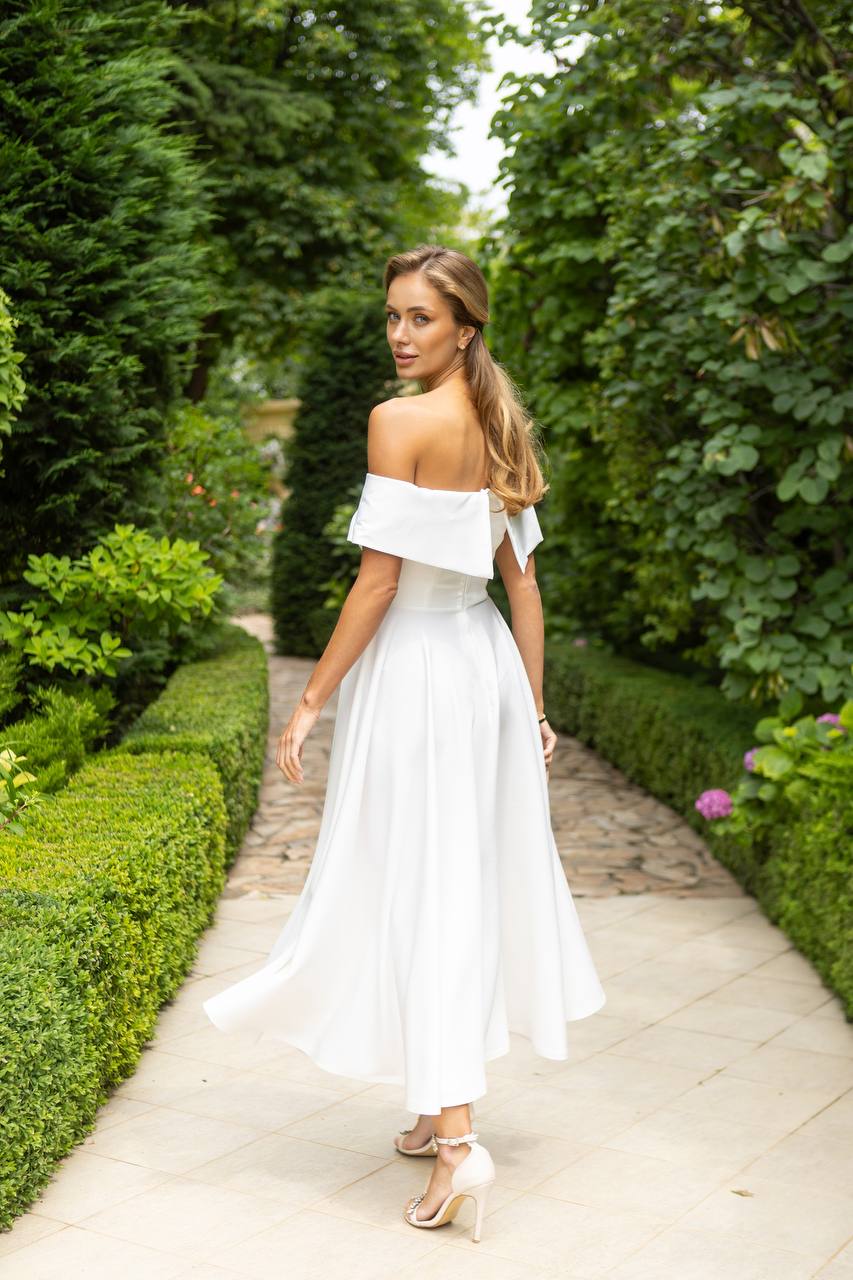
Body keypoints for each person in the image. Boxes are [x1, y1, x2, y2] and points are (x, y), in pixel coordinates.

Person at [202, 243, 606, 1243]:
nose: (397, 333)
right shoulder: (500, 422)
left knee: (423, 886)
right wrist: (535, 703)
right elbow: (522, 588)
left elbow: (378, 583)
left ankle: (461, 1141)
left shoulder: (399, 421)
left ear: (463, 325)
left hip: (419, 675)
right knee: (455, 878)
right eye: (391, 316)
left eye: (418, 317)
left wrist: (308, 703)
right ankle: (435, 1109)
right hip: (483, 677)